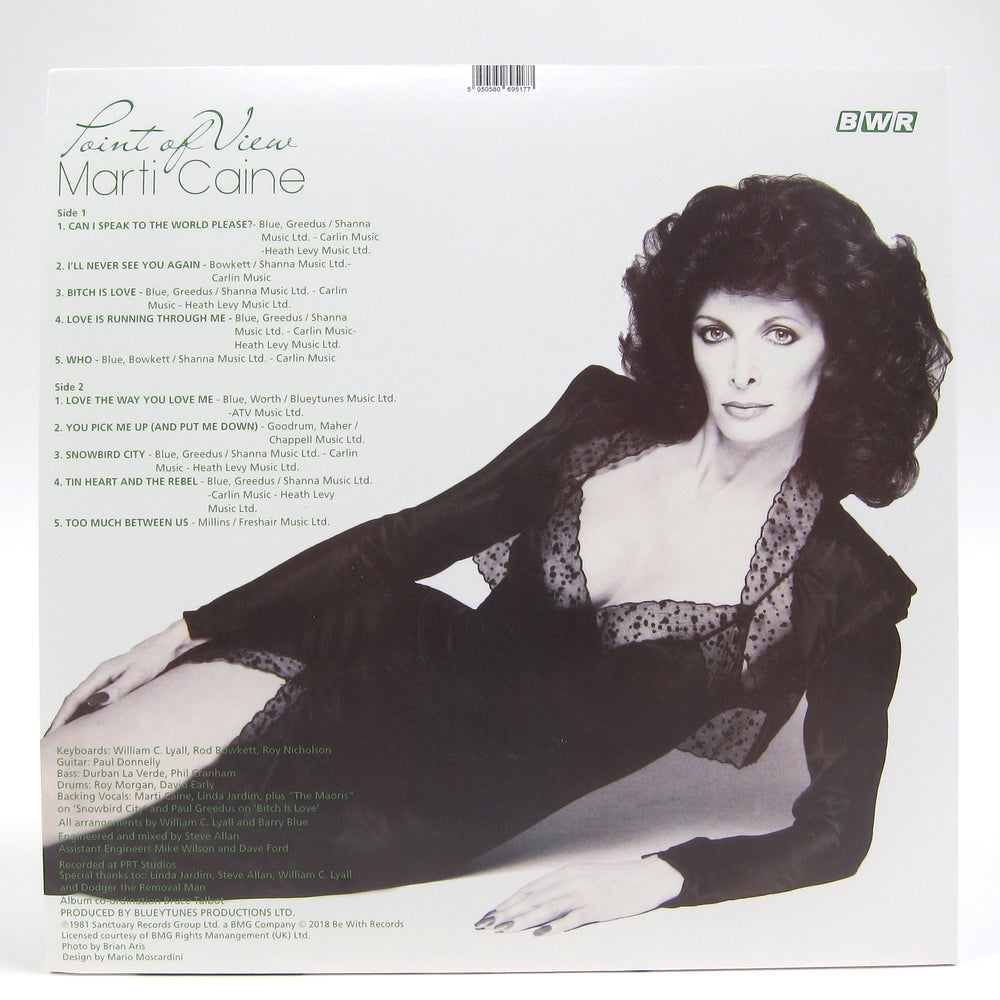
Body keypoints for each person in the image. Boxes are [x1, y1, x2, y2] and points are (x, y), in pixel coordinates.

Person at [43, 175, 950, 936]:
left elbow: (838, 833)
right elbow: (399, 543)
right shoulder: (601, 423)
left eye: (780, 334)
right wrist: (181, 630)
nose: (742, 370)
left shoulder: (847, 589)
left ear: (840, 353)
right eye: (717, 331)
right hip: (358, 644)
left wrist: (662, 876)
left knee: (72, 871)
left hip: (400, 815)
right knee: (35, 807)